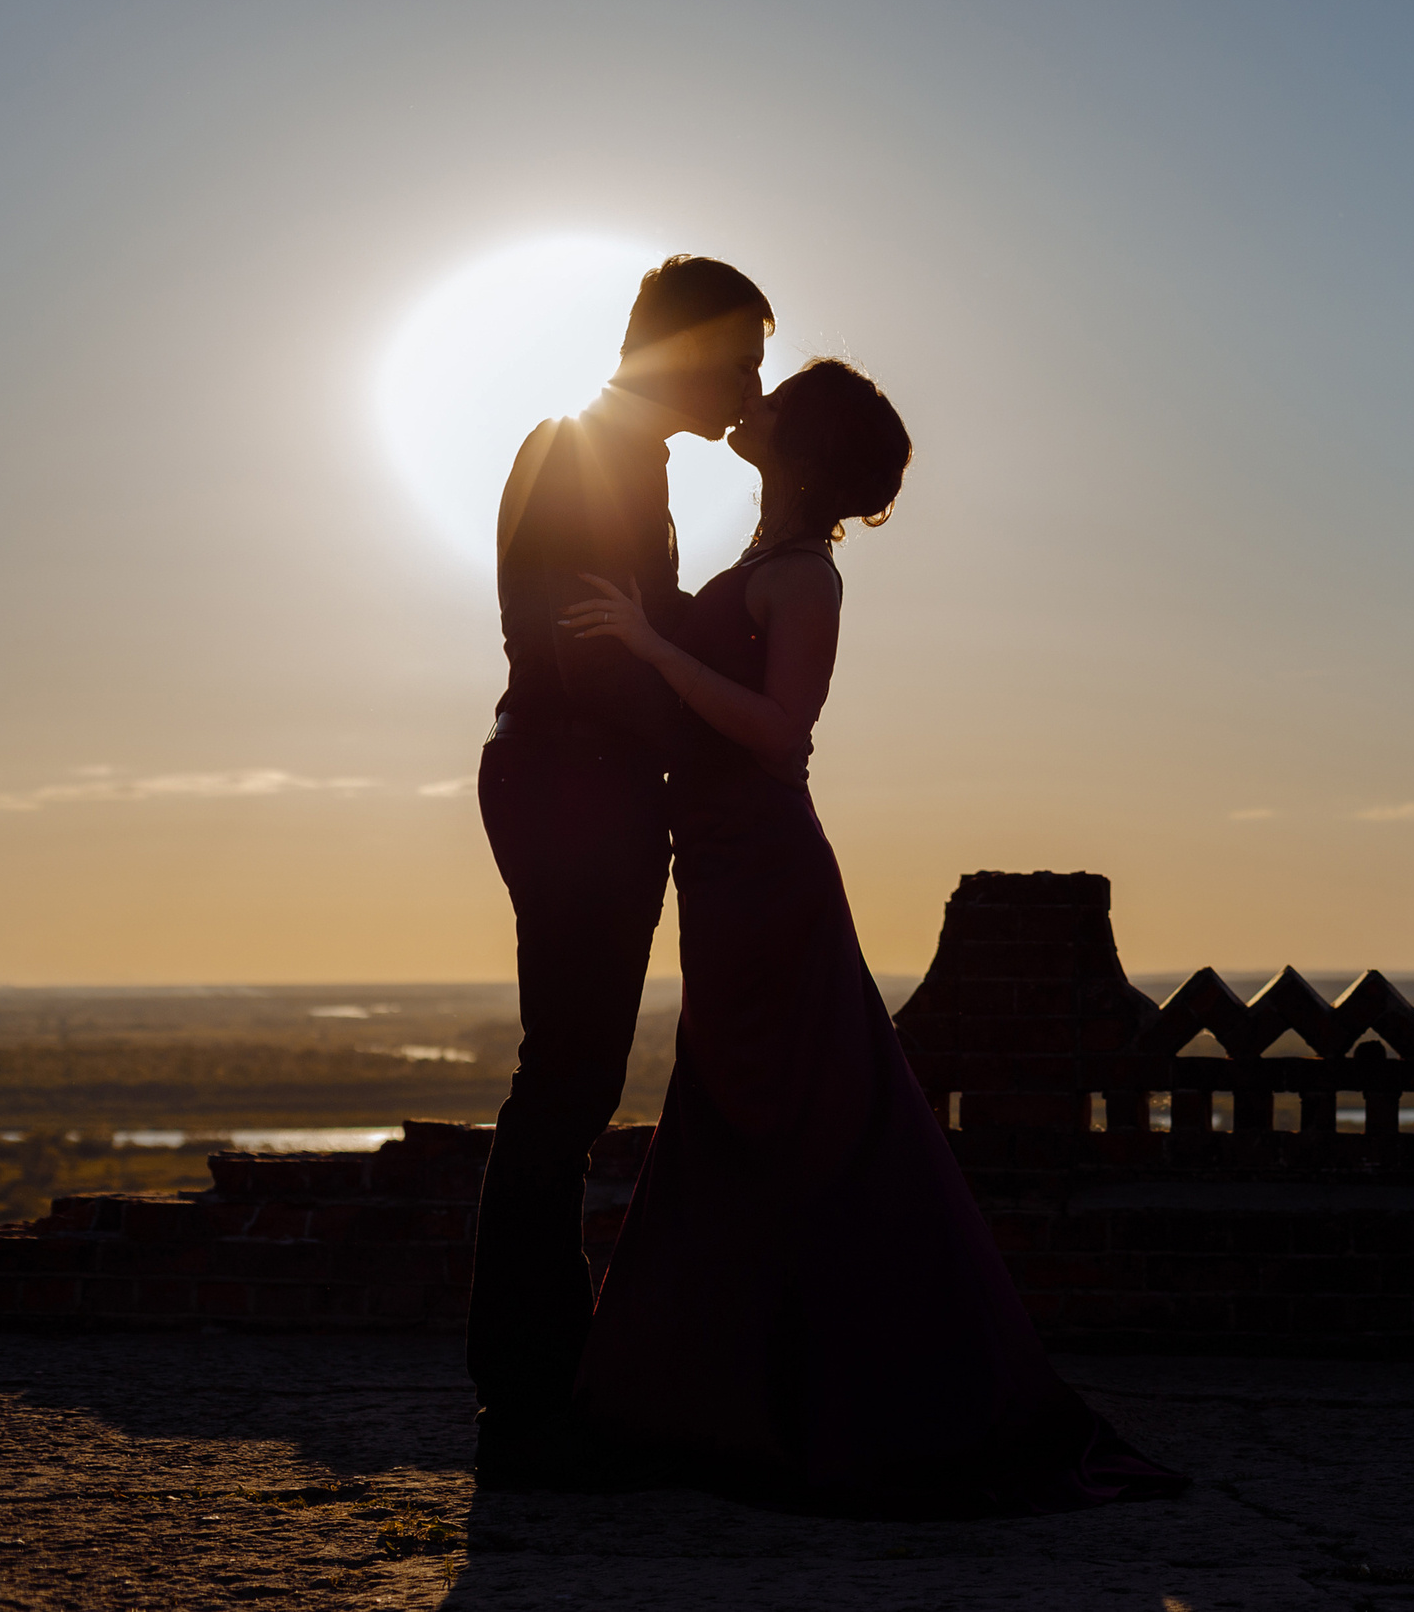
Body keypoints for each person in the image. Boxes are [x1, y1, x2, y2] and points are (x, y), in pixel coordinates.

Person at [557, 360, 1184, 1511]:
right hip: (724, 874)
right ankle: (718, 1405)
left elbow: (778, 734)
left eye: (777, 400)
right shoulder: (759, 562)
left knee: (792, 1119)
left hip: (765, 877)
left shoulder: (804, 580)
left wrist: (651, 648)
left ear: (801, 453)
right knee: (734, 1116)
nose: (755, 404)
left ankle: (820, 1409)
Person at [471, 256, 773, 1482]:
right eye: (743, 357)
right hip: (572, 777)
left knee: (571, 1079)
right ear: (689, 350)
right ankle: (531, 1394)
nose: (750, 385)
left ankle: (540, 1378)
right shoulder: (586, 457)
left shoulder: (615, 461)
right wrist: (720, 737)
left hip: (573, 776)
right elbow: (592, 658)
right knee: (567, 1082)